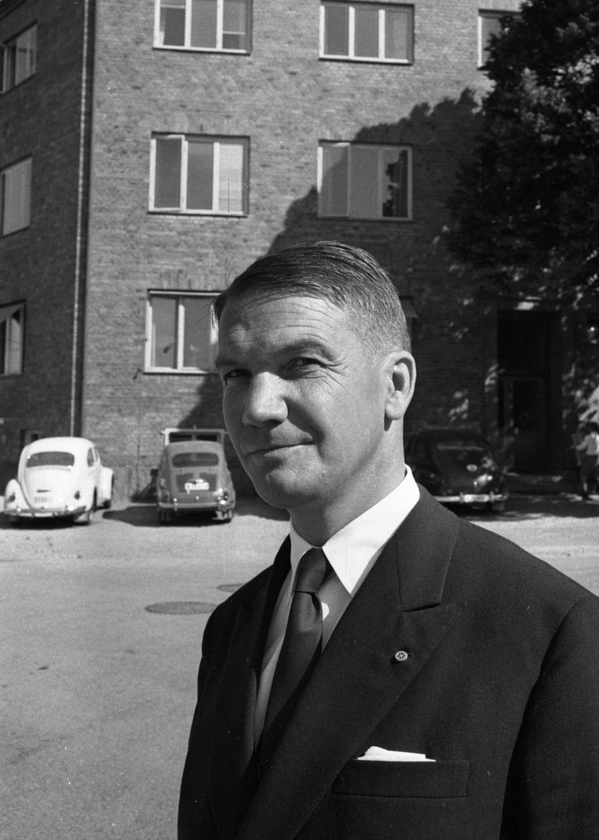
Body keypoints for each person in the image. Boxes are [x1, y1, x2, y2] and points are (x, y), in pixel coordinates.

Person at [178, 241, 599, 840]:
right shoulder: (231, 626)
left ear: (395, 386)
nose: (256, 408)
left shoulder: (549, 633)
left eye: (302, 364)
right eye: (235, 374)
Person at [576, 421, 599, 499]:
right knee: (596, 475)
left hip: (590, 458)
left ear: (591, 428)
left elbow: (581, 447)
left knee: (583, 476)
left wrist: (576, 447)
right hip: (597, 458)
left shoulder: (588, 437)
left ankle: (584, 493)